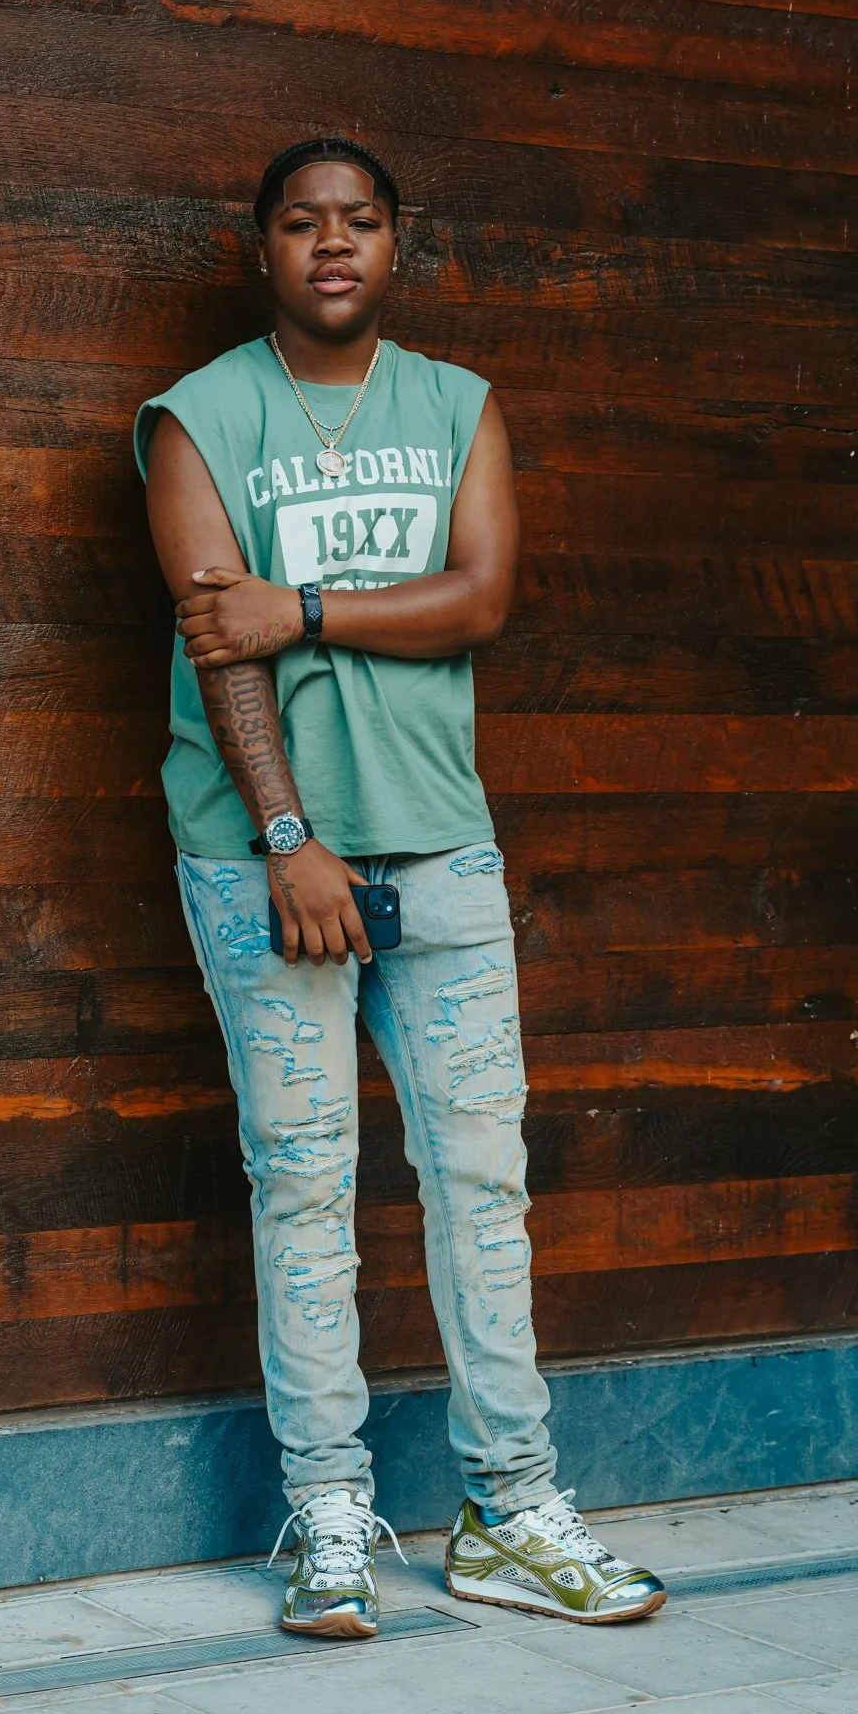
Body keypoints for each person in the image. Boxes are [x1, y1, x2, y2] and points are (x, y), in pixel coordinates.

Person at [137, 135, 665, 1638]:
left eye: (358, 221)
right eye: (302, 223)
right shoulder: (200, 417)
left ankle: (511, 1508)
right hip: (267, 863)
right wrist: (290, 837)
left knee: (481, 1186)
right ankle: (326, 1511)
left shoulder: (457, 407)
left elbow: (481, 601)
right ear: (263, 249)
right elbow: (210, 644)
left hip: (440, 846)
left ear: (395, 242)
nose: (332, 244)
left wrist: (299, 601)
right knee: (304, 1188)